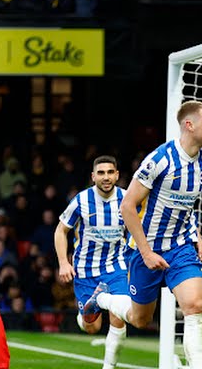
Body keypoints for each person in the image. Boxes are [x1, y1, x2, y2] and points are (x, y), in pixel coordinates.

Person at [84, 100, 202, 369]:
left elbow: (186, 205)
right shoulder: (160, 160)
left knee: (194, 305)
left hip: (180, 247)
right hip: (144, 249)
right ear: (189, 125)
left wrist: (196, 235)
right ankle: (102, 298)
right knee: (140, 319)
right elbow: (127, 206)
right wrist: (146, 252)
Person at [54, 155, 128, 369]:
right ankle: (87, 311)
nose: (106, 177)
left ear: (117, 175)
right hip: (86, 271)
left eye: (110, 172)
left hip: (116, 267)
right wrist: (63, 263)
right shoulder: (81, 200)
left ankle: (108, 366)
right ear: (93, 176)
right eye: (101, 173)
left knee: (119, 316)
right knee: (92, 328)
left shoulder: (127, 198)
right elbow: (61, 231)